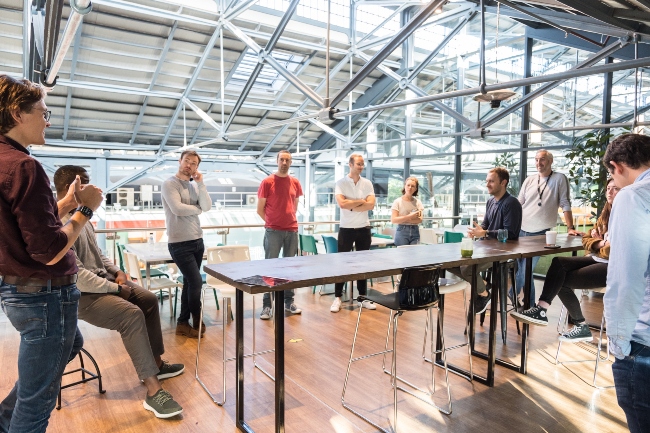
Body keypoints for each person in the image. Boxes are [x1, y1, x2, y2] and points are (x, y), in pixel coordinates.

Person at [0, 75, 103, 433]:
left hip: (17, 291)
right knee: (38, 400)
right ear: (16, 113)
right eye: (43, 113)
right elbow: (49, 252)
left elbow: (24, 224)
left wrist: (65, 204)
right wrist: (85, 211)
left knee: (68, 345)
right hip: (44, 295)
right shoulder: (24, 166)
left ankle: (4, 419)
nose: (48, 120)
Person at [53, 166, 184, 419]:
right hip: (82, 296)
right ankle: (153, 391)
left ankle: (156, 364)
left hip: (103, 282)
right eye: (89, 185)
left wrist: (117, 272)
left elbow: (97, 254)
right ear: (75, 187)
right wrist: (115, 288)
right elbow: (79, 277)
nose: (96, 190)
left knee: (148, 298)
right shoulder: (59, 224)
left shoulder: (82, 215)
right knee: (131, 315)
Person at [511, 178, 620, 343]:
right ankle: (541, 310)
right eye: (608, 188)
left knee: (560, 280)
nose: (610, 192)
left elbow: (615, 250)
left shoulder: (624, 216)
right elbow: (587, 239)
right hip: (598, 258)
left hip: (614, 266)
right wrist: (600, 243)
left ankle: (579, 325)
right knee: (558, 263)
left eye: (615, 189)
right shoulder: (606, 213)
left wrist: (599, 245)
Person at [602, 133, 650, 433]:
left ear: (617, 166)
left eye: (611, 174)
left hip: (643, 340)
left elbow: (625, 278)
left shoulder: (633, 197)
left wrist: (619, 344)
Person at [448, 167, 522, 315]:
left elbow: (511, 233)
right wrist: (477, 231)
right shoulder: (490, 202)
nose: (487, 184)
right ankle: (484, 288)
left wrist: (485, 232)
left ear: (503, 182)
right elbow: (486, 225)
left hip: (504, 252)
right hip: (486, 248)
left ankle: (483, 294)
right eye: (487, 181)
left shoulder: (511, 203)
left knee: (467, 268)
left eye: (491, 181)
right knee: (449, 263)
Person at [514, 150, 581, 304]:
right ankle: (529, 304)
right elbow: (519, 203)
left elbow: (565, 203)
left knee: (526, 270)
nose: (539, 163)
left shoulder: (559, 179)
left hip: (542, 233)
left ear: (550, 161)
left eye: (542, 159)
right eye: (536, 160)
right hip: (522, 230)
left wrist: (570, 227)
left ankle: (512, 294)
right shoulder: (530, 179)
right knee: (524, 270)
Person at [162, 150, 212, 338]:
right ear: (180, 161)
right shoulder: (169, 184)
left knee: (190, 283)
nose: (189, 165)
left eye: (194, 163)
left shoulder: (194, 185)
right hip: (179, 243)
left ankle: (182, 323)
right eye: (187, 161)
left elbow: (207, 206)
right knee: (196, 281)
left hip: (197, 241)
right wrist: (197, 209)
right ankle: (197, 320)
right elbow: (177, 209)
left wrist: (201, 184)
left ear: (197, 167)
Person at [257, 150, 303, 319]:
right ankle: (267, 305)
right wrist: (272, 223)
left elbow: (294, 206)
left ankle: (288, 302)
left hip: (291, 230)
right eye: (282, 159)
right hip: (273, 231)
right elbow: (259, 209)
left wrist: (286, 221)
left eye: (288, 160)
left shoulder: (295, 182)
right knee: (269, 268)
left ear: (290, 163)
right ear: (277, 161)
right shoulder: (267, 182)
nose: (284, 162)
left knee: (289, 268)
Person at [330, 154, 376, 313]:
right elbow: (342, 203)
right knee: (342, 264)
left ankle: (362, 297)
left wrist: (352, 204)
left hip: (364, 228)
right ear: (350, 164)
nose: (361, 166)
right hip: (346, 229)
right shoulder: (341, 183)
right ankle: (337, 298)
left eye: (362, 164)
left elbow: (370, 205)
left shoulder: (367, 183)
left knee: (363, 264)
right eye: (358, 164)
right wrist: (360, 201)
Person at [391, 177, 424, 246]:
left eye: (413, 186)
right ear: (405, 186)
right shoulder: (397, 201)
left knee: (414, 255)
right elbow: (394, 220)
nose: (410, 188)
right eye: (408, 185)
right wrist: (410, 216)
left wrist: (402, 218)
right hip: (401, 231)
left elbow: (419, 220)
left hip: (415, 231)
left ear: (415, 189)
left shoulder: (418, 202)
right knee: (402, 255)